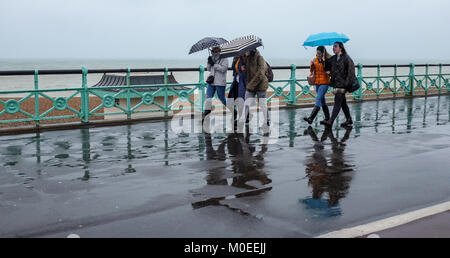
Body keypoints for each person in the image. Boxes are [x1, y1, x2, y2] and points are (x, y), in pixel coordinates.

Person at [320, 42, 355, 128]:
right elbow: (326, 67)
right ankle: (349, 119)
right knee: (343, 103)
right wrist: (323, 60)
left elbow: (351, 73)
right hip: (336, 83)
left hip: (343, 85)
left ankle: (330, 121)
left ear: (341, 48)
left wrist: (346, 85)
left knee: (337, 102)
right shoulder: (333, 58)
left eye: (335, 46)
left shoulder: (347, 58)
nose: (333, 48)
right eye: (333, 47)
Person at [239, 49, 270, 129]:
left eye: (246, 51)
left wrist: (250, 85)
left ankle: (267, 120)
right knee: (246, 103)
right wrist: (244, 70)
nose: (245, 52)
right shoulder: (247, 59)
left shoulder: (260, 58)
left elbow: (260, 74)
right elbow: (248, 74)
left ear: (251, 50)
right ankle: (241, 121)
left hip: (260, 85)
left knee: (262, 104)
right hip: (251, 85)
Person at [304, 46, 332, 124]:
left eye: (319, 53)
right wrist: (312, 65)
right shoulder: (314, 60)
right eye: (317, 53)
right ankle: (327, 118)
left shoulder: (327, 60)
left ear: (323, 53)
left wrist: (323, 62)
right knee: (323, 101)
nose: (317, 54)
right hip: (317, 83)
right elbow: (312, 71)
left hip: (325, 83)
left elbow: (329, 70)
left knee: (318, 98)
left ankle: (311, 118)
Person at [203, 46, 229, 121]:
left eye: (217, 48)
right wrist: (209, 62)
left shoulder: (224, 58)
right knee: (208, 98)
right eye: (214, 48)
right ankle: (206, 115)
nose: (215, 50)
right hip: (211, 81)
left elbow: (224, 69)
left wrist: (214, 65)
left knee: (222, 99)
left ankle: (233, 111)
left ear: (220, 49)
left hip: (220, 82)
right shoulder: (211, 58)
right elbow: (208, 69)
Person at [227, 55, 247, 129]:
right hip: (236, 81)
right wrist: (238, 69)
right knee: (230, 99)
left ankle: (241, 120)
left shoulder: (245, 58)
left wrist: (243, 69)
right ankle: (246, 115)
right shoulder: (236, 58)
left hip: (243, 82)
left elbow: (249, 69)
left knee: (241, 100)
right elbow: (233, 68)